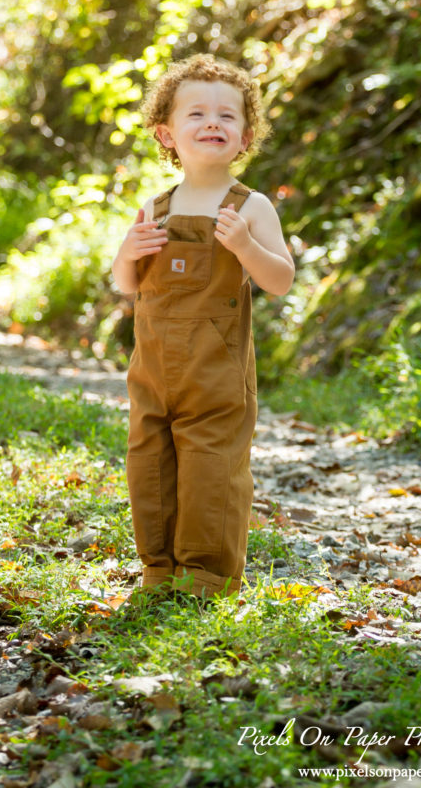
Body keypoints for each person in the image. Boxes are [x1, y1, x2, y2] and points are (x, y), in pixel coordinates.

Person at [112, 54, 295, 600]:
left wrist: (244, 246)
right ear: (167, 133)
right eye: (197, 114)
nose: (212, 123)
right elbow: (127, 283)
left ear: (245, 137)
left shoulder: (250, 205)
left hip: (216, 371)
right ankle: (159, 569)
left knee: (211, 468)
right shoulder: (157, 206)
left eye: (227, 116)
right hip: (153, 368)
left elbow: (280, 279)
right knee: (150, 462)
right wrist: (126, 252)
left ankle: (206, 577)